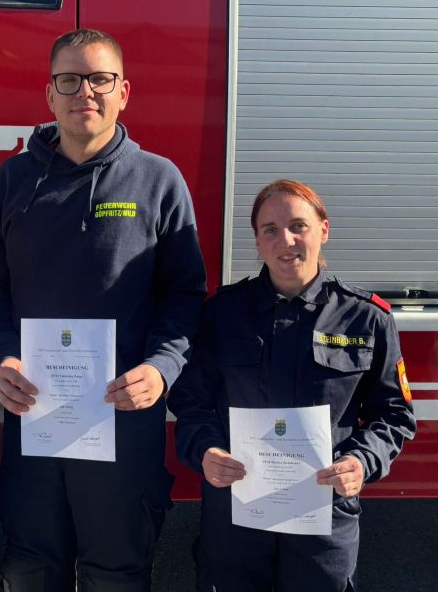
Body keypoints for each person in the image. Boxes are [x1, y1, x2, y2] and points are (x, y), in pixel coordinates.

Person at [0, 28, 207, 591]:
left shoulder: (159, 181)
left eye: (100, 79)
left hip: (122, 422)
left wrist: (161, 369)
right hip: (34, 421)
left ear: (124, 91)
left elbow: (184, 294)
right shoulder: (15, 179)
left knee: (117, 573)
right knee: (32, 568)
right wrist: (2, 356)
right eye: (70, 80)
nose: (85, 92)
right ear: (50, 95)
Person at [168, 179, 417, 591]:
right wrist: (206, 452)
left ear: (323, 230)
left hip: (324, 520)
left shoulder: (367, 319)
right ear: (257, 241)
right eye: (270, 229)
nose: (286, 240)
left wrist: (361, 461)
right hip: (236, 516)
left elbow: (393, 415)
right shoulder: (221, 314)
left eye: (298, 226)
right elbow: (191, 403)